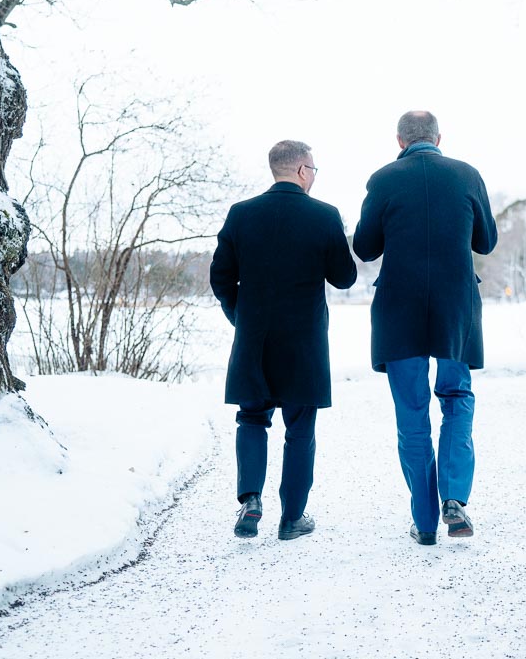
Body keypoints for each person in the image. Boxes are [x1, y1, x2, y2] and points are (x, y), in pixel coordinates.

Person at [353, 110, 498, 546]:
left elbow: (364, 247)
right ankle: (454, 498)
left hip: (399, 309)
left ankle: (425, 520)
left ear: (399, 140)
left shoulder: (382, 180)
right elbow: (486, 241)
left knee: (412, 413)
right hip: (456, 307)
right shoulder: (467, 175)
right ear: (439, 137)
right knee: (456, 398)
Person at [209, 140, 357, 541]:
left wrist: (241, 317)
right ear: (303, 170)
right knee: (300, 428)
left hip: (253, 338)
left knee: (252, 418)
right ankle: (292, 518)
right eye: (313, 169)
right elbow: (345, 277)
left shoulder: (241, 214)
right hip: (304, 342)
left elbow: (220, 277)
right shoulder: (325, 215)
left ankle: (251, 500)